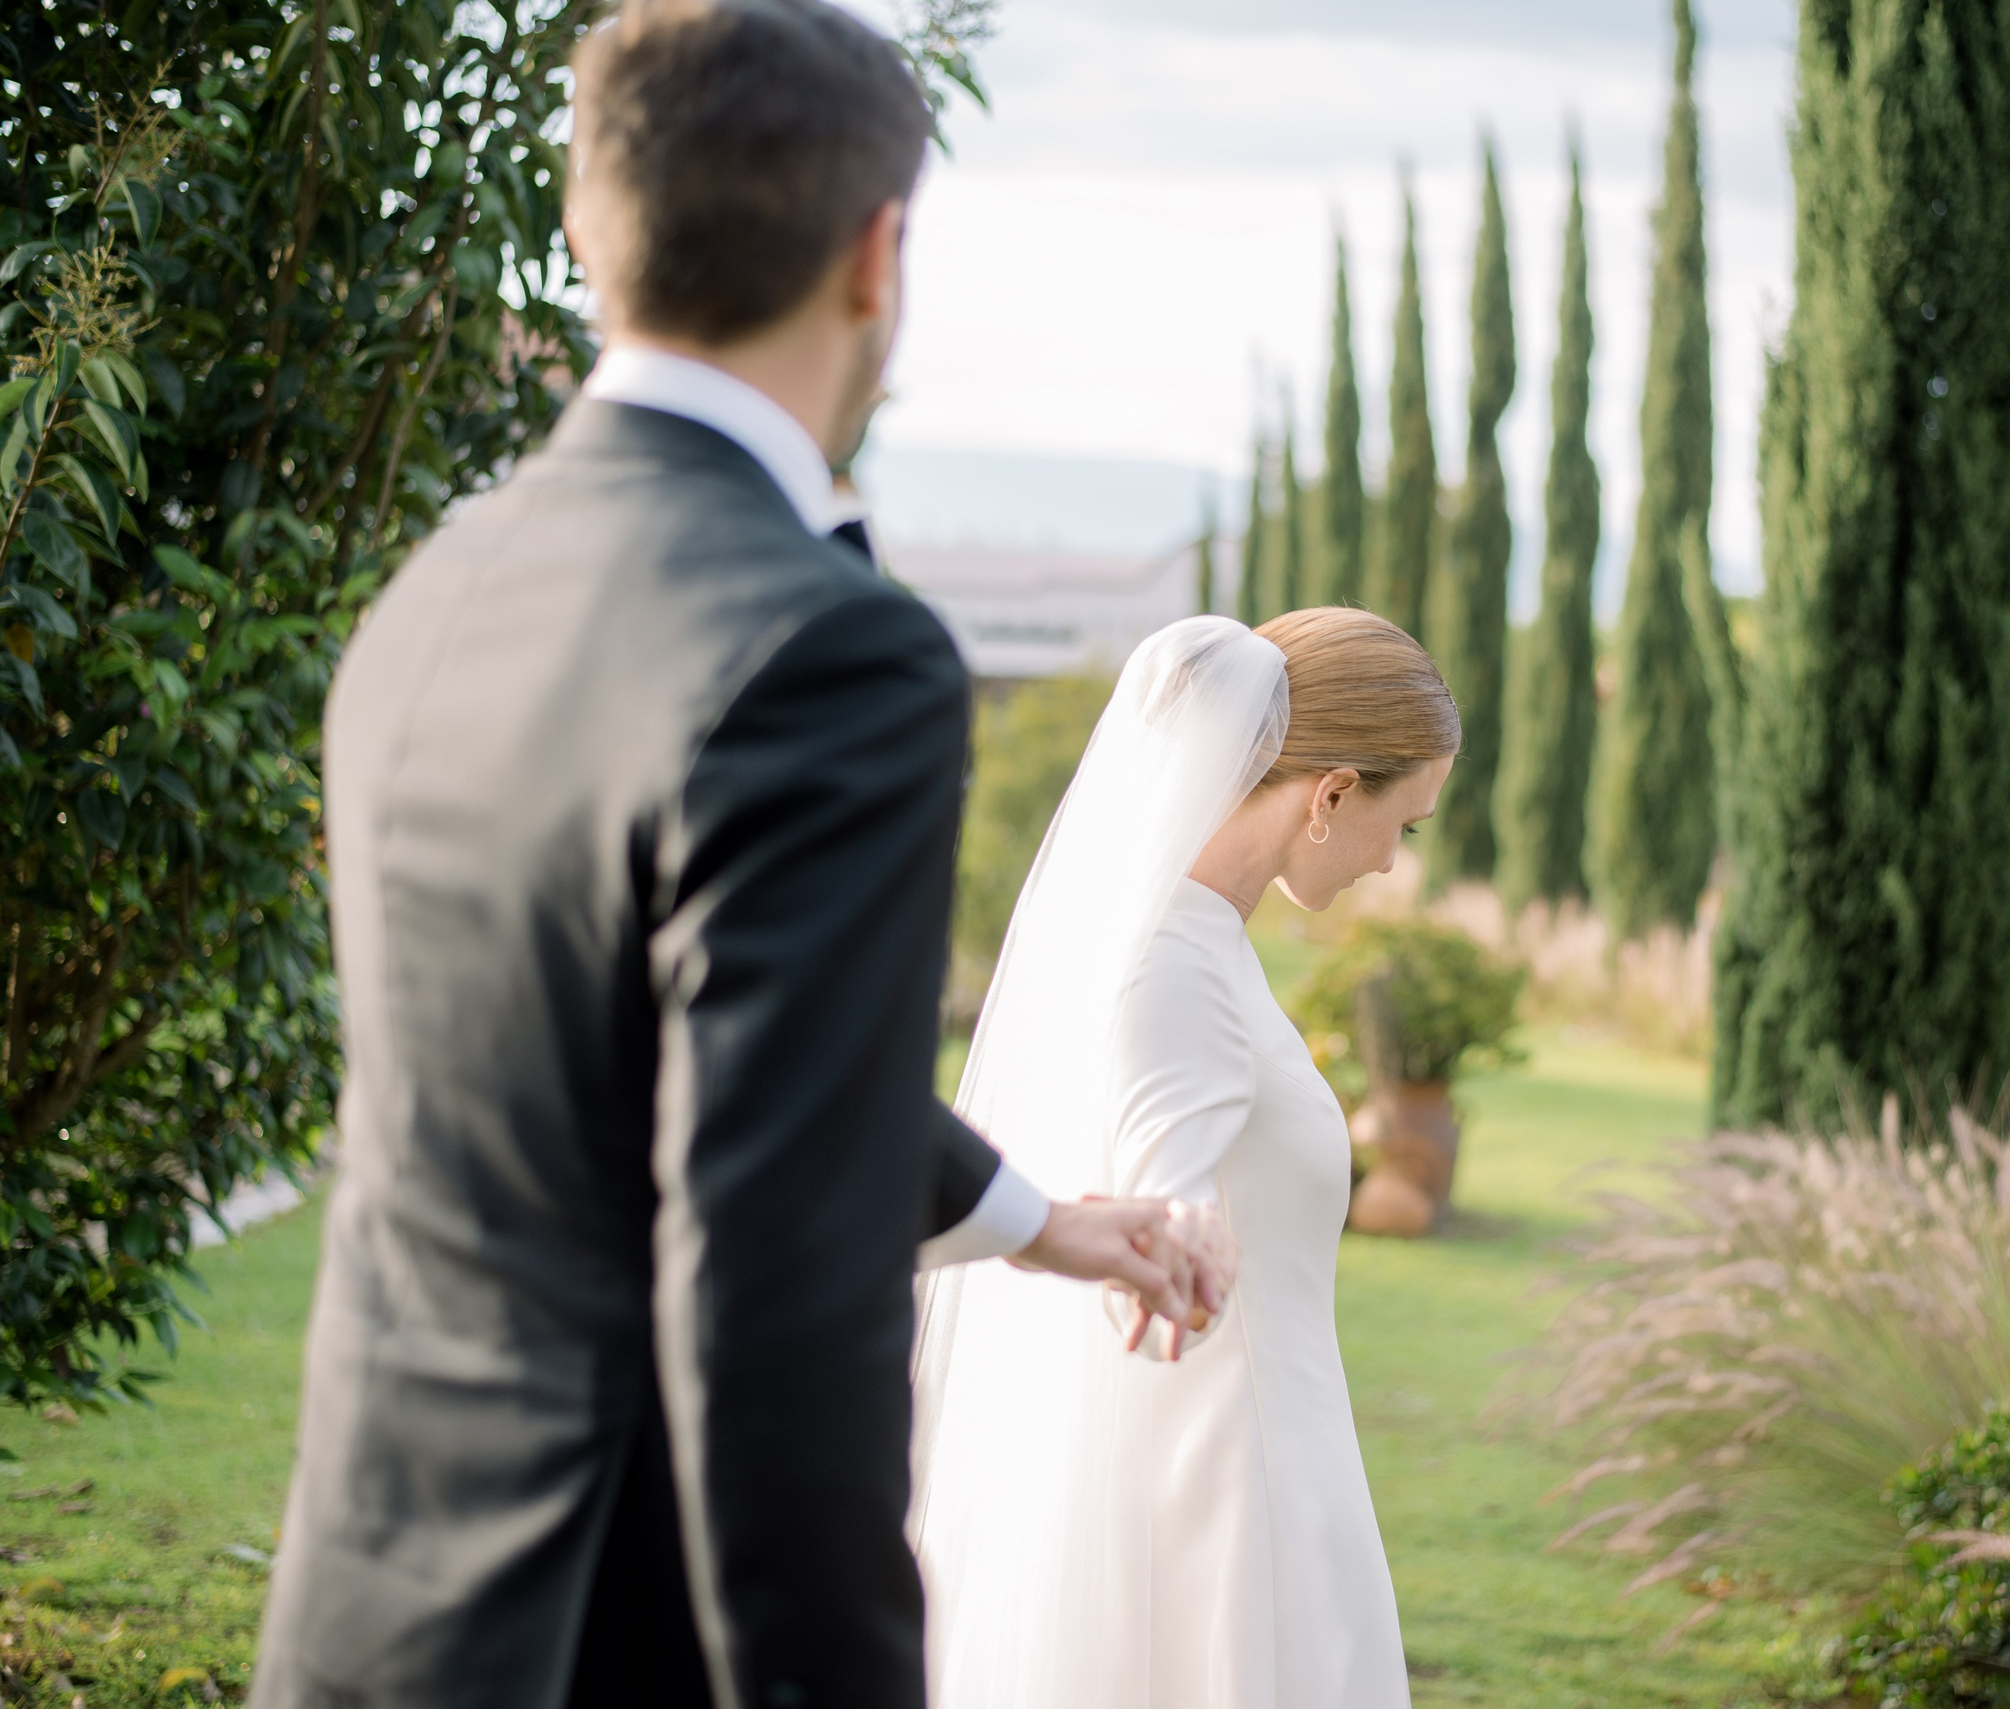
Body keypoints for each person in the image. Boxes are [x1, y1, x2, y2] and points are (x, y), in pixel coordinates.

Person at [252, 4, 1227, 1706]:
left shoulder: (439, 590)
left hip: (365, 1619)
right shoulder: (827, 653)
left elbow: (618, 1068)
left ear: (589, 227)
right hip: (611, 1633)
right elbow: (778, 1311)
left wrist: (1033, 1217)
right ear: (880, 256)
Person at [914, 606, 1461, 1708]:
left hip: (1262, 1448)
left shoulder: (1194, 935)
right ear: (1333, 793)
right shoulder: (1174, 953)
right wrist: (1177, 1216)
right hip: (1240, 1481)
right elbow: (1167, 1156)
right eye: (1405, 823)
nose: (1392, 862)